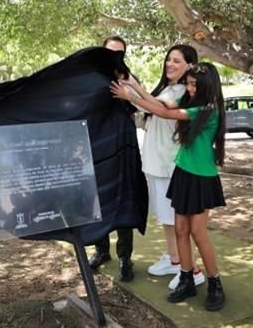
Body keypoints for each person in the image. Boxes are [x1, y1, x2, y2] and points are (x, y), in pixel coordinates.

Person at [112, 62, 227, 311]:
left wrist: (128, 95)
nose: (190, 88)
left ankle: (215, 282)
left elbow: (165, 114)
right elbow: (158, 105)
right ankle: (186, 278)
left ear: (208, 86)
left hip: (202, 176)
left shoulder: (208, 109)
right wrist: (133, 86)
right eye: (189, 84)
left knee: (198, 232)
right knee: (180, 231)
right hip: (183, 172)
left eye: (195, 84)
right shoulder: (189, 102)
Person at [130, 45, 206, 290]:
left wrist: (131, 90)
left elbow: (156, 108)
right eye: (168, 60)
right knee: (166, 218)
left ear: (189, 65)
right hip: (155, 164)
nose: (170, 64)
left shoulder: (184, 90)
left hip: (169, 165)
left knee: (178, 221)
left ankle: (192, 269)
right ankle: (175, 260)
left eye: (177, 60)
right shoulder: (167, 88)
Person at [89, 35, 137, 281]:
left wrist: (126, 90)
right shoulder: (90, 79)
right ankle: (101, 251)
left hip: (123, 147)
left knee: (124, 202)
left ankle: (125, 258)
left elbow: (138, 108)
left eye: (120, 52)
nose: (115, 56)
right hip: (97, 148)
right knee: (98, 201)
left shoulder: (128, 79)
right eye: (111, 52)